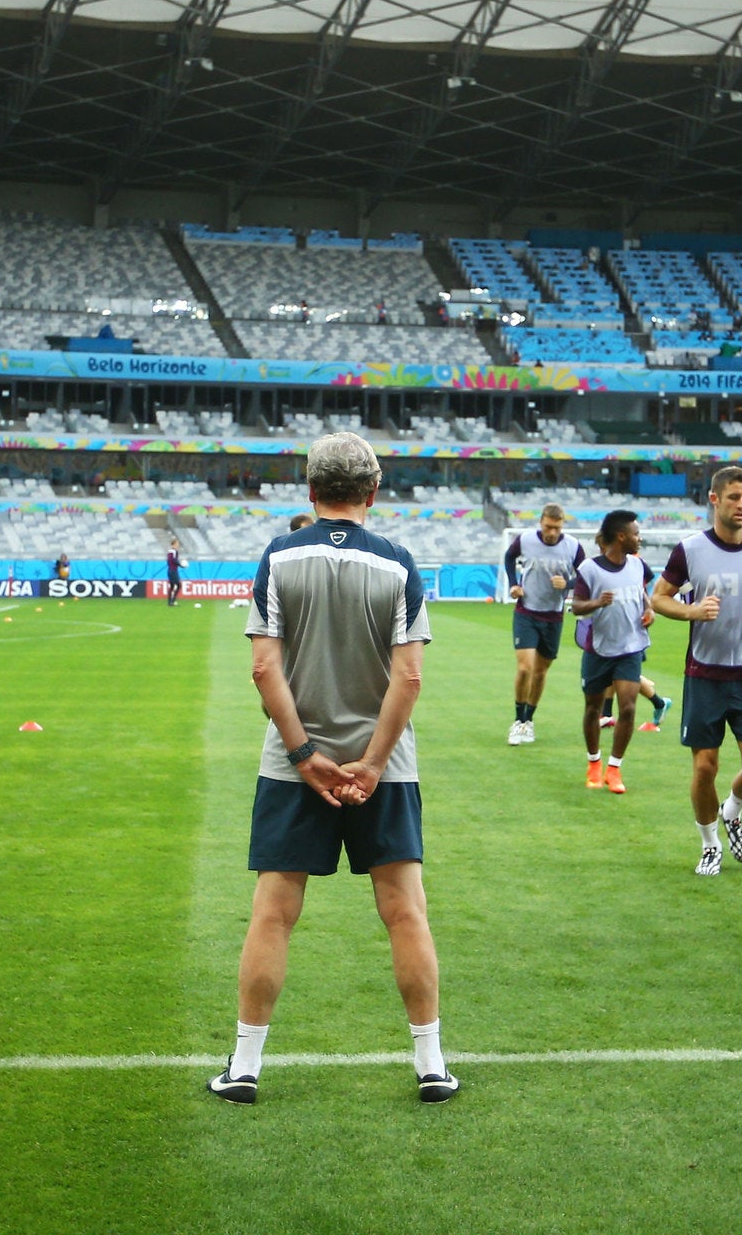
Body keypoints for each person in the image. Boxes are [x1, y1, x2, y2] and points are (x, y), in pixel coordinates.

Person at [211, 432, 454, 1106]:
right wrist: (372, 764)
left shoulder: (279, 556)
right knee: (405, 912)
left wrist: (303, 754)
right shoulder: (399, 564)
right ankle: (430, 1064)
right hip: (386, 767)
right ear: (373, 493)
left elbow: (264, 667)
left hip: (294, 768)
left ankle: (246, 1068)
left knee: (273, 914)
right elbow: (409, 677)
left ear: (311, 491)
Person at [651, 466, 742, 876]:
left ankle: (733, 811)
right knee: (705, 767)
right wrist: (692, 610)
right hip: (705, 674)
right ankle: (709, 845)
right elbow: (658, 598)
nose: (741, 506)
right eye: (733, 498)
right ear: (714, 499)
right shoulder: (690, 550)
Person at [570, 510, 655, 795]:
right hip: (599, 649)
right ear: (621, 536)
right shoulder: (590, 569)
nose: (638, 538)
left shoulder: (638, 565)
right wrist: (597, 603)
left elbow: (641, 593)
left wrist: (648, 609)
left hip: (630, 647)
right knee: (593, 709)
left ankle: (615, 769)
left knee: (628, 708)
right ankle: (593, 762)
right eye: (635, 533)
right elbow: (576, 606)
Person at [502, 503, 585, 746]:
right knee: (525, 668)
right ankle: (517, 721)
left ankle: (528, 720)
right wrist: (513, 583)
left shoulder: (572, 546)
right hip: (526, 612)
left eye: (557, 528)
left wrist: (568, 584)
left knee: (540, 672)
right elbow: (509, 557)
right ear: (541, 522)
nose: (552, 532)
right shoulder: (526, 540)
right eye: (549, 527)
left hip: (553, 616)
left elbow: (585, 574)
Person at [165, 536, 187, 607]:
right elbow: (174, 560)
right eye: (177, 544)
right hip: (173, 571)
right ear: (174, 544)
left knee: (172, 586)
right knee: (178, 585)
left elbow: (170, 561)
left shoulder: (169, 551)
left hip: (170, 570)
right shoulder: (174, 551)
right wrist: (181, 565)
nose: (178, 545)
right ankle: (172, 601)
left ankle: (170, 602)